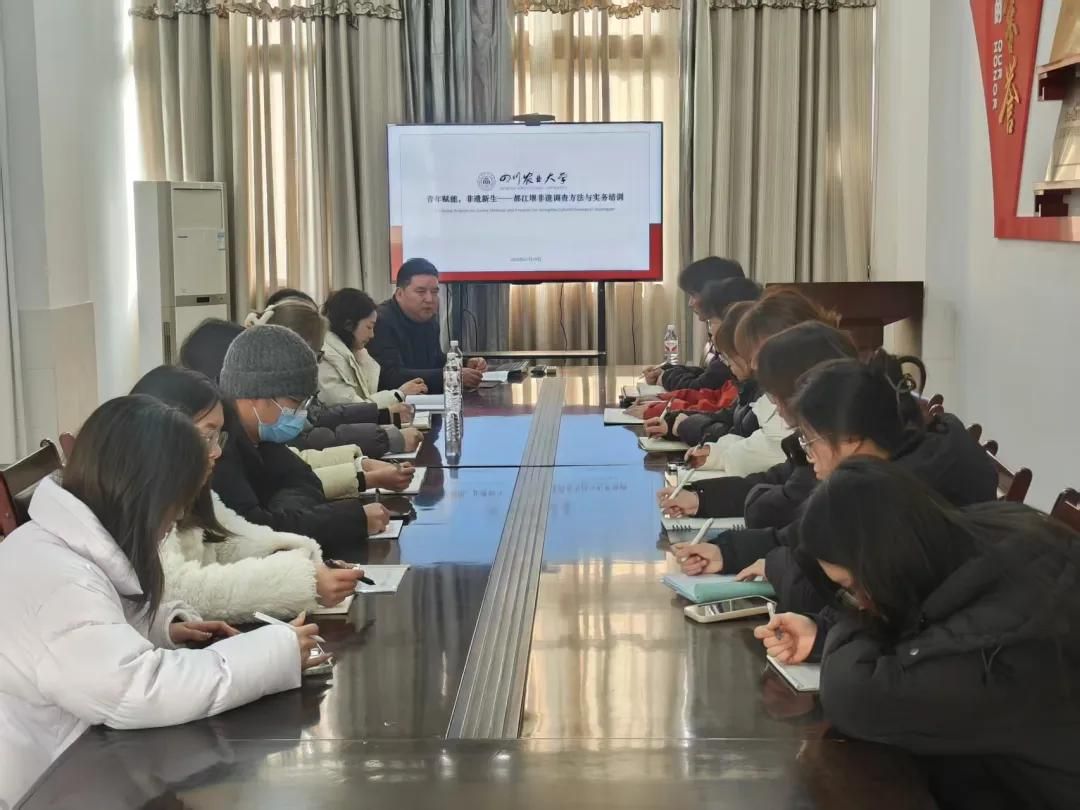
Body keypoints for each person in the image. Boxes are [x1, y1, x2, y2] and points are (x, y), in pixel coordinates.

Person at [0, 396, 324, 807]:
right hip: (42, 786)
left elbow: (88, 640)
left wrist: (161, 629)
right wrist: (273, 652)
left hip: (69, 761)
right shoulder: (57, 579)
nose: (173, 523)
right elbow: (137, 690)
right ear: (145, 495)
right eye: (174, 507)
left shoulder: (60, 545)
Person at [754, 459, 1080, 809]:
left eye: (852, 588)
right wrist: (822, 634)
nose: (858, 602)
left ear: (885, 566)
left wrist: (852, 619)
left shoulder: (997, 646)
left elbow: (854, 695)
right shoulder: (989, 533)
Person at [673, 349, 998, 613]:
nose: (808, 455)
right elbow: (811, 537)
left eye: (809, 440)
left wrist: (775, 566)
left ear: (851, 438)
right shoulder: (896, 459)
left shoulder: (903, 491)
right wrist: (729, 552)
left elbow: (823, 592)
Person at [131, 365, 368, 623]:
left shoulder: (190, 493)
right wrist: (302, 582)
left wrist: (302, 560)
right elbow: (180, 590)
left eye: (218, 438)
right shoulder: (139, 504)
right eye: (207, 436)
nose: (217, 452)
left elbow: (232, 540)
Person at [210, 324, 391, 550]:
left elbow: (306, 482)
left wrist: (285, 516)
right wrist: (352, 520)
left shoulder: (260, 436)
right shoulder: (217, 448)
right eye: (295, 402)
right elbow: (255, 531)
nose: (301, 413)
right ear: (254, 395)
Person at [181, 317, 421, 459]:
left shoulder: (258, 425)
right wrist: (383, 437)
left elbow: (318, 422)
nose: (318, 360)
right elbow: (311, 441)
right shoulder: (223, 442)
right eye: (316, 351)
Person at [681, 289, 834, 476]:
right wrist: (718, 455)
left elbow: (773, 461)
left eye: (756, 355)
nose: (753, 365)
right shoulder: (784, 391)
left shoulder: (811, 403)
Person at [644, 299, 759, 443]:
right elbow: (724, 415)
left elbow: (733, 437)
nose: (728, 365)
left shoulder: (763, 395)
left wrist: (683, 425)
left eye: (729, 359)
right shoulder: (746, 386)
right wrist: (672, 421)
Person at [366, 258, 487, 393]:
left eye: (434, 292)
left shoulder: (428, 318)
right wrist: (450, 376)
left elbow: (434, 360)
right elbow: (390, 377)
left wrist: (463, 364)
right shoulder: (380, 321)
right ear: (399, 294)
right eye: (421, 292)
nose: (429, 299)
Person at [641, 258, 748, 388]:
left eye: (693, 295)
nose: (690, 303)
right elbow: (709, 375)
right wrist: (668, 370)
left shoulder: (735, 338)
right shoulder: (725, 328)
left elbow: (700, 386)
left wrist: (665, 377)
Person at [319, 287, 429, 408]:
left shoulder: (356, 354)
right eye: (369, 327)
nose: (372, 335)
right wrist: (399, 394)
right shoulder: (325, 358)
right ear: (349, 325)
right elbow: (353, 409)